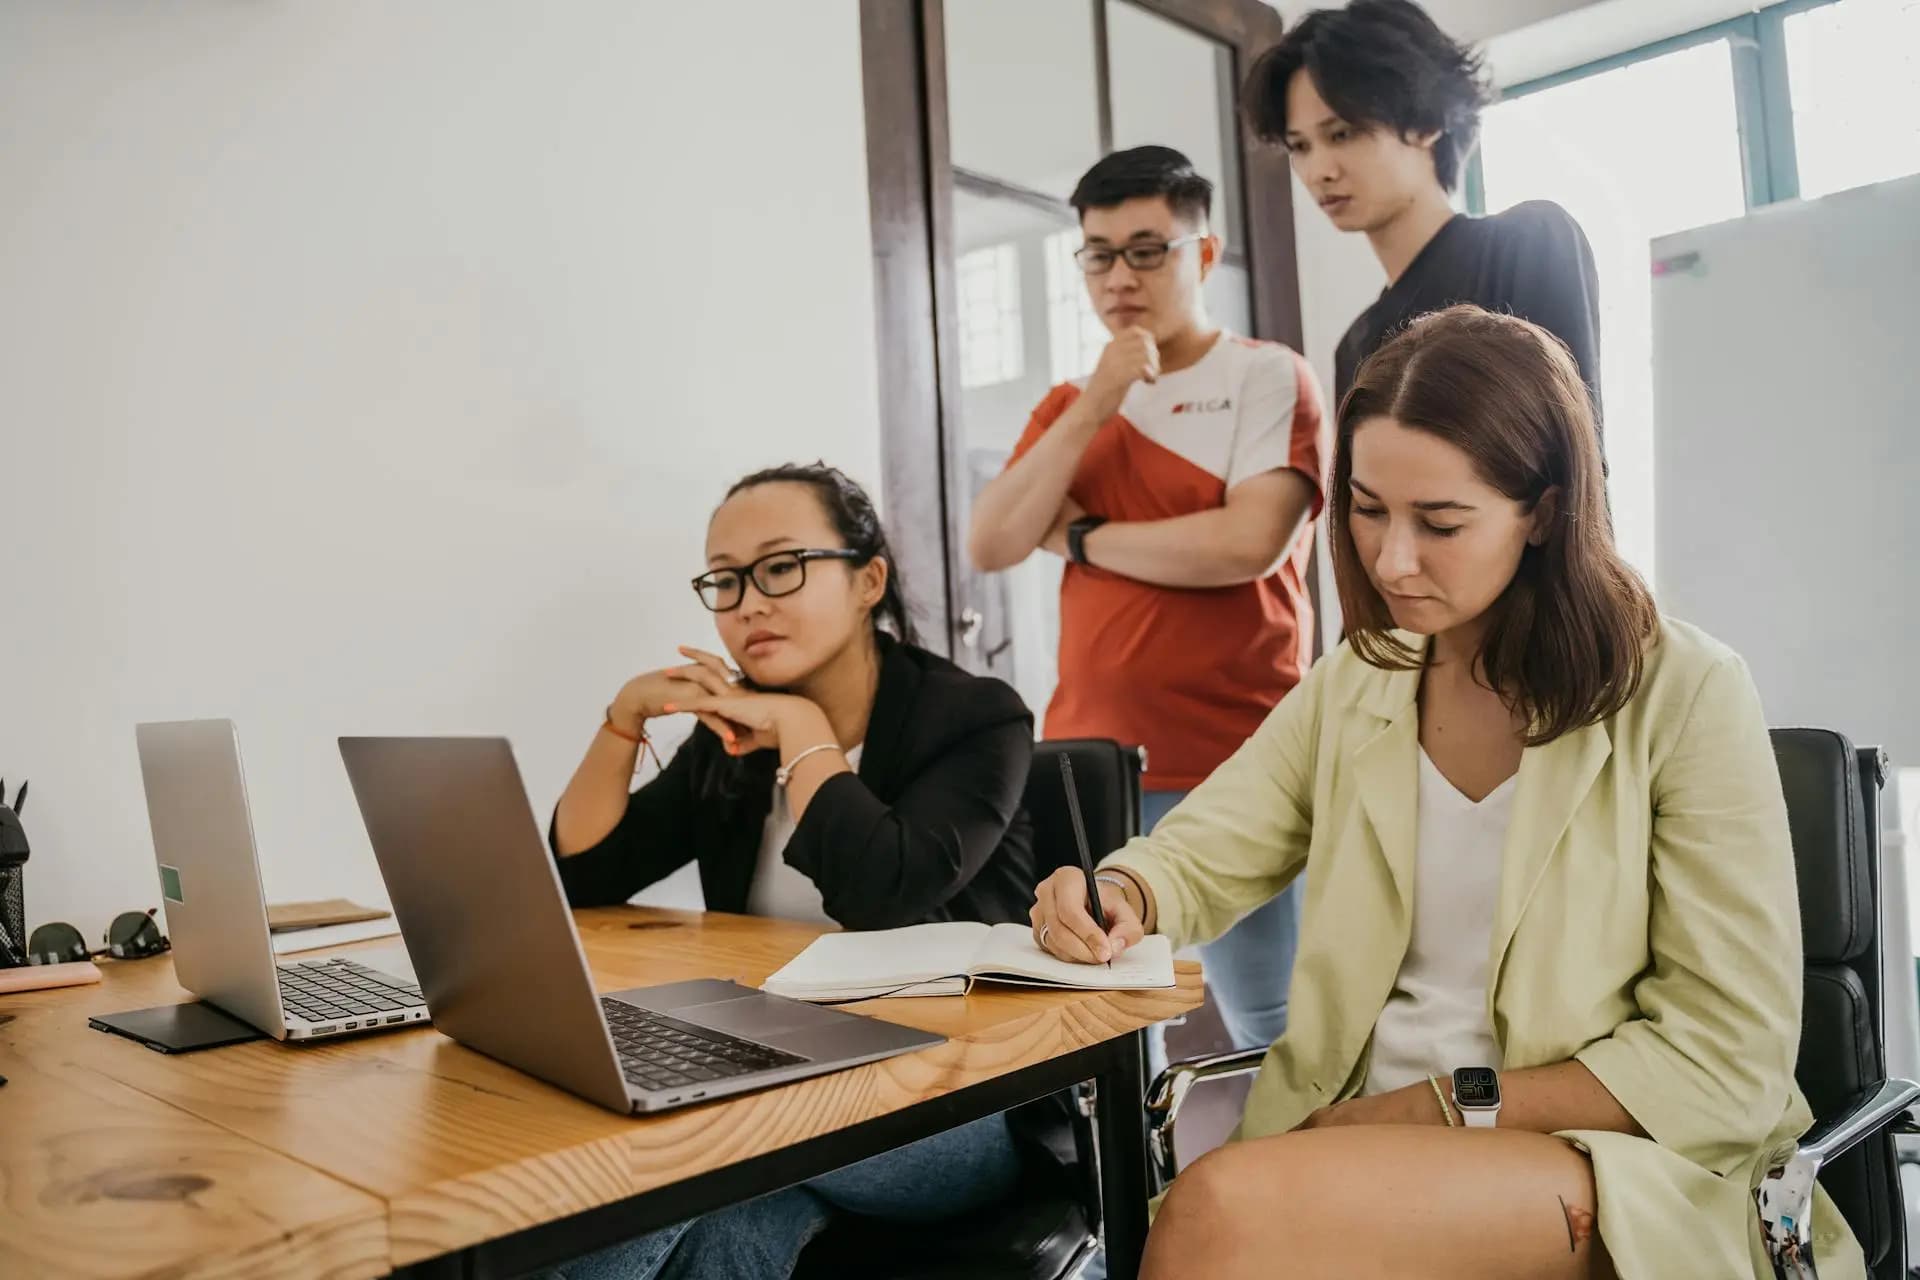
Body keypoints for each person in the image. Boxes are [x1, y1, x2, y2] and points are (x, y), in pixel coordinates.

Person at [1028, 306, 1865, 1279]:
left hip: (1618, 1160)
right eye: (1369, 507)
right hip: (1358, 1144)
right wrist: (1122, 895)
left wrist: (1430, 1106)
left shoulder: (1683, 690)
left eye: (1441, 521)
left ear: (1546, 510)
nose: (1390, 560)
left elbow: (1725, 1055)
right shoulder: (1359, 681)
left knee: (1218, 1210)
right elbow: (1207, 844)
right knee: (1229, 1213)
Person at [549, 462, 1043, 1279]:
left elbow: (884, 892)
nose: (749, 602)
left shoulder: (976, 718)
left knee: (668, 1154)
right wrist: (623, 719)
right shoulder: (731, 738)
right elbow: (588, 876)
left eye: (781, 567)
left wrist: (801, 726)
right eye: (727, 580)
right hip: (774, 1075)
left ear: (867, 580)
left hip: (955, 1095)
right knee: (731, 1231)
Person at [967, 145, 1325, 1066]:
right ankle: (1148, 1207)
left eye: (1147, 249)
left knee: (1276, 1030)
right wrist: (1097, 401)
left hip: (1244, 755)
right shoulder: (1071, 404)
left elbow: (1247, 546)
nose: (1120, 276)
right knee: (1114, 1029)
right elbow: (993, 541)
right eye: (1098, 254)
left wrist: (1083, 538)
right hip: (1097, 758)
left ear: (1201, 256)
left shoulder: (1266, 375)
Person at [1245, 0, 1602, 414]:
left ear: (1427, 121)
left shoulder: (1527, 244)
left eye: (1342, 134)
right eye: (1300, 146)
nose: (1317, 171)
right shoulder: (1357, 343)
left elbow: (1579, 457)